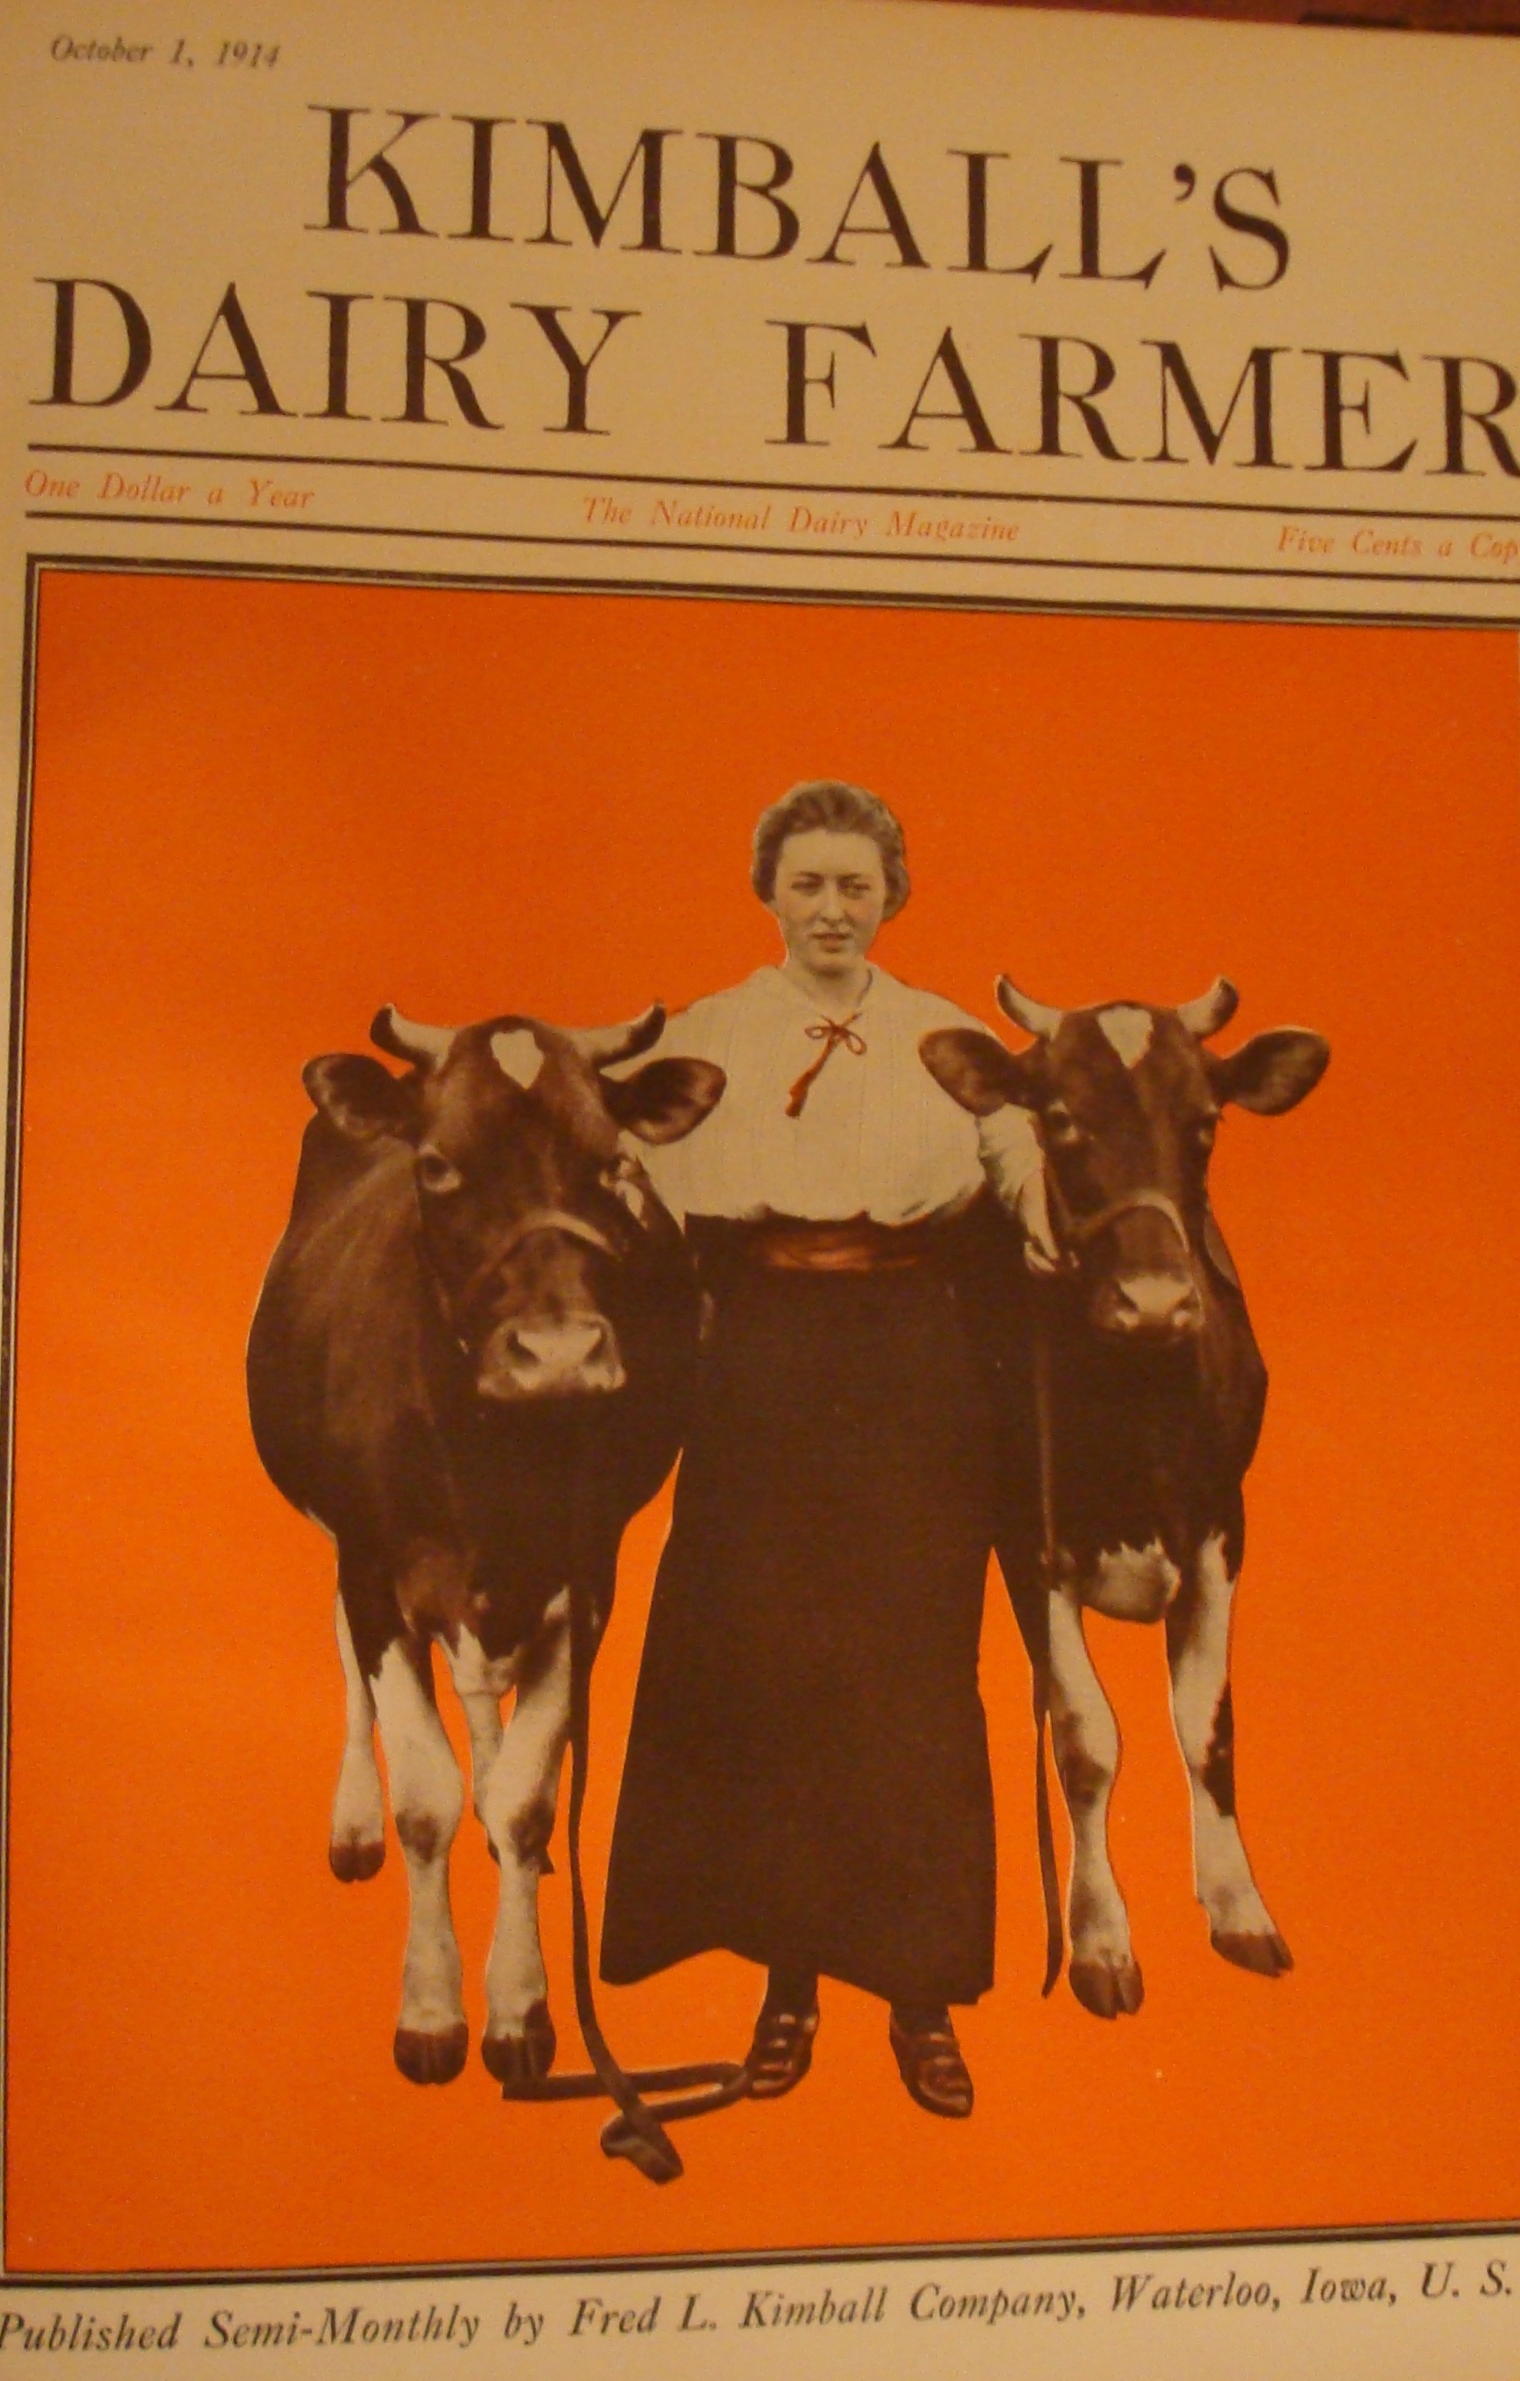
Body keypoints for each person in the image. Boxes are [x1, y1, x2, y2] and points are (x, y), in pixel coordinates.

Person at [598, 781, 1054, 2118]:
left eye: (857, 885)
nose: (832, 910)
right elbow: (624, 1177)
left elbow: (1022, 1160)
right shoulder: (706, 1034)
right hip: (757, 1362)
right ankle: (786, 1987)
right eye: (808, 884)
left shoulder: (943, 1035)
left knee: (914, 1672)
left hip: (913, 1362)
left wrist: (1054, 1212)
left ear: (891, 896)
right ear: (768, 894)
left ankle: (920, 1995)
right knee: (770, 1671)